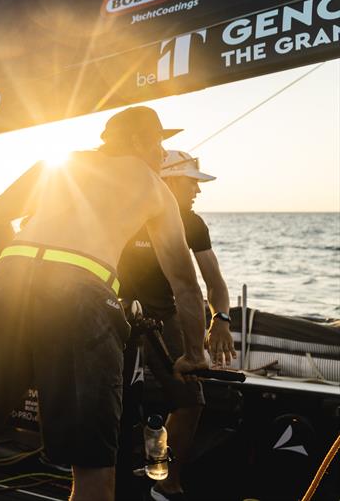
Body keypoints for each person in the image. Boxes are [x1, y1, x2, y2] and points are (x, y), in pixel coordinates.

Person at [0, 106, 211, 501]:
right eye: (159, 142)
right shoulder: (155, 187)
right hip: (83, 296)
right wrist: (193, 354)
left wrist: (26, 268)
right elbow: (185, 284)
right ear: (140, 140)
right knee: (92, 461)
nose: (162, 153)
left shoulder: (60, 165)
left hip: (9, 280)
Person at [117, 150, 236, 501]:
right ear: (166, 180)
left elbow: (214, 283)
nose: (197, 191)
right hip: (116, 312)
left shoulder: (193, 224)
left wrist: (222, 319)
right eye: (190, 183)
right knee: (113, 400)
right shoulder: (124, 214)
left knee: (190, 400)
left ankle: (165, 481)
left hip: (167, 314)